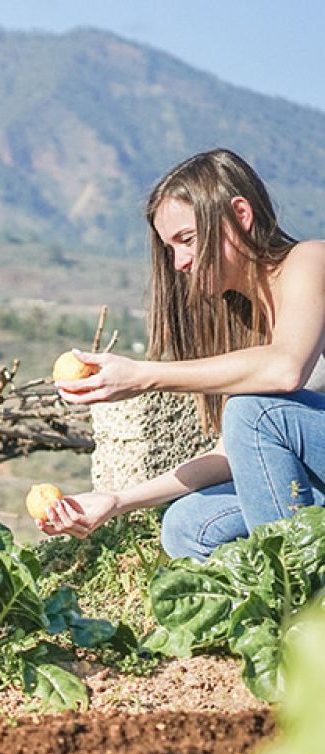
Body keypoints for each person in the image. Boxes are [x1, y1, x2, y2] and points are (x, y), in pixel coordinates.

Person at [42, 149, 325, 559]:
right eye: (169, 247)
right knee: (188, 525)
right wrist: (116, 500)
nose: (179, 262)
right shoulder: (243, 319)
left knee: (252, 410)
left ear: (240, 215)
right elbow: (241, 451)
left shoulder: (311, 260)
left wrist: (143, 376)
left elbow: (287, 369)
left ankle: (296, 592)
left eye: (186, 239)